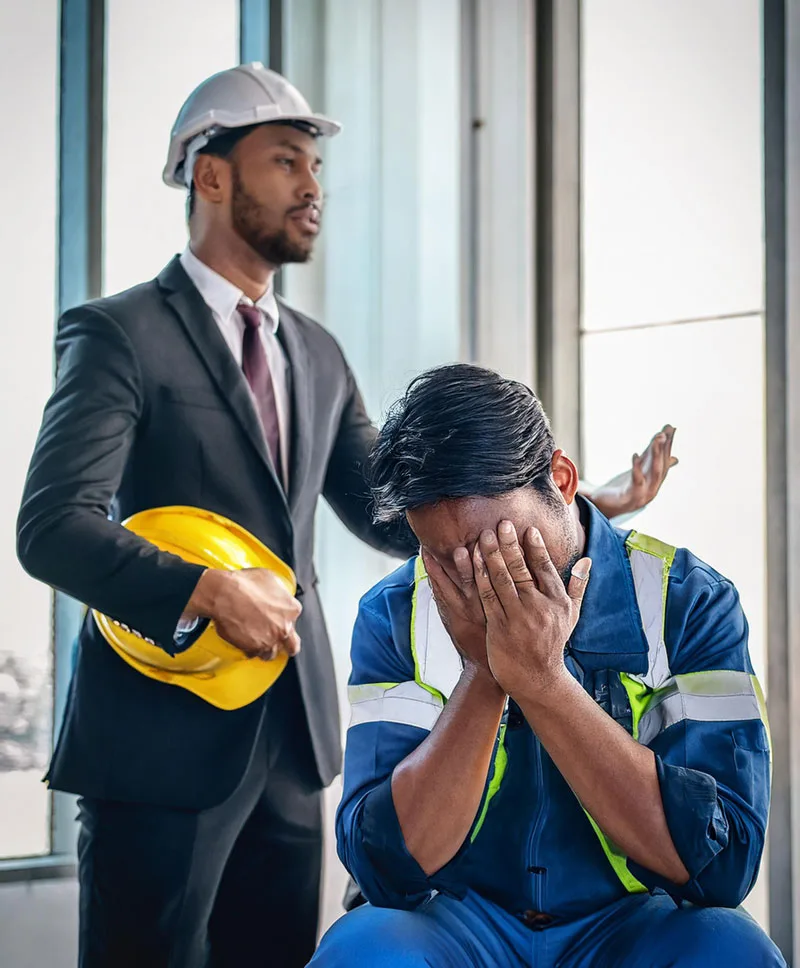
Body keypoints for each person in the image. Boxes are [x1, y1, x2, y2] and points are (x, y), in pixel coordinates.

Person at [16, 62, 677, 967]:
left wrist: (569, 503)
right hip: (156, 744)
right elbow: (52, 525)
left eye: (316, 169)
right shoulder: (119, 333)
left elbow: (389, 512)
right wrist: (207, 589)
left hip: (292, 744)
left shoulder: (315, 353)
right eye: (286, 161)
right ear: (210, 175)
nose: (311, 187)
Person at [310, 364, 784, 967]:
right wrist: (483, 677)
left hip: (634, 922)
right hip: (456, 917)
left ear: (561, 481)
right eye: (444, 557)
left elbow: (723, 866)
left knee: (732, 951)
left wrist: (543, 684)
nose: (479, 581)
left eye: (498, 544)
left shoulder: (689, 601)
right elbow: (383, 872)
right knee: (361, 952)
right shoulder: (394, 611)